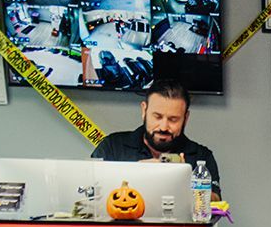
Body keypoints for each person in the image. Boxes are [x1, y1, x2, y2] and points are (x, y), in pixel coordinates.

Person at [90, 80, 222, 198]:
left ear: (185, 118)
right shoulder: (112, 146)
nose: (163, 127)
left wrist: (183, 182)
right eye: (157, 117)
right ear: (144, 111)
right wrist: (136, 173)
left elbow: (215, 200)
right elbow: (89, 191)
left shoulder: (201, 156)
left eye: (173, 119)